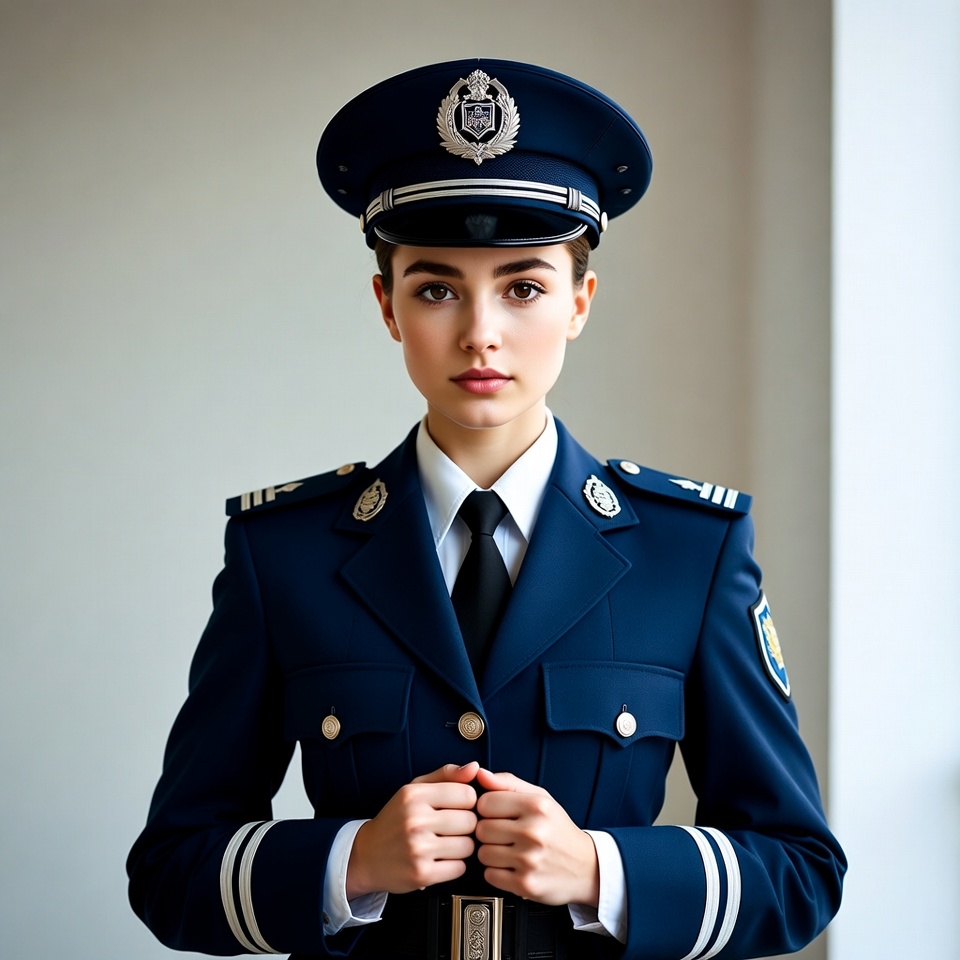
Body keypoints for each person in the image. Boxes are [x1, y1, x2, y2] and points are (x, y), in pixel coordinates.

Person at [128, 58, 845, 960]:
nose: (480, 332)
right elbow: (170, 871)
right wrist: (350, 860)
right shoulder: (287, 553)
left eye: (524, 286)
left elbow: (802, 871)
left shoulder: (689, 549)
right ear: (387, 306)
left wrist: (599, 869)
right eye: (436, 289)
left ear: (580, 302)